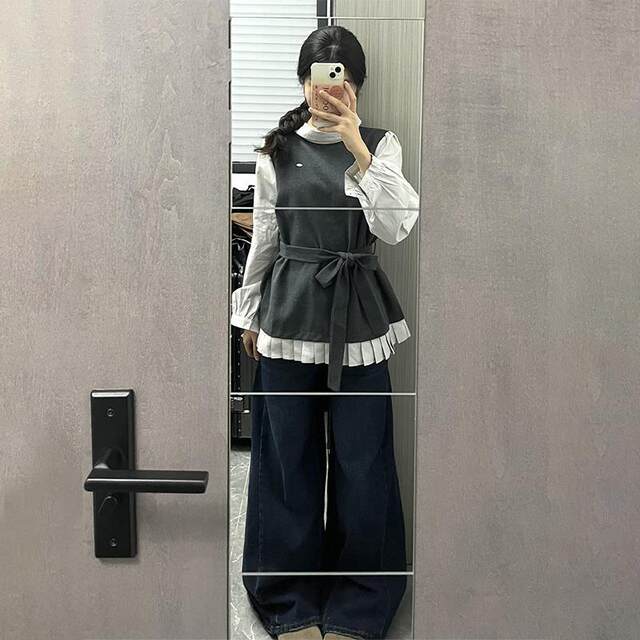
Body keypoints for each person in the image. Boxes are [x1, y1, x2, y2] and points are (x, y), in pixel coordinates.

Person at [230, 25, 419, 640]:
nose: (329, 91)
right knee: (287, 458)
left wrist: (356, 146)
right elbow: (267, 236)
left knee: (364, 461)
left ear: (356, 85)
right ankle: (286, 596)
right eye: (319, 79)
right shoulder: (275, 150)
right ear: (303, 82)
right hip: (287, 314)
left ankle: (362, 600)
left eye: (342, 80)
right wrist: (248, 312)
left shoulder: (380, 146)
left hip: (357, 315)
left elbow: (396, 227)